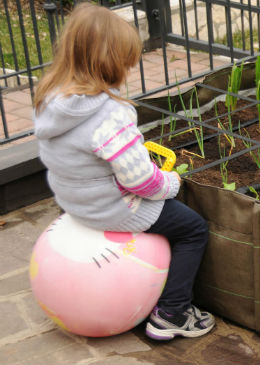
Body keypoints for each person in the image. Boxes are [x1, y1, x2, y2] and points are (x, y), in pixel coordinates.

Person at [32, 2, 214, 340]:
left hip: (74, 201)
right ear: (111, 63)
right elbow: (141, 181)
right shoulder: (109, 115)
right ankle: (173, 313)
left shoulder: (49, 98)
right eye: (127, 63)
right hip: (113, 209)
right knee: (193, 229)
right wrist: (170, 183)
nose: (129, 70)